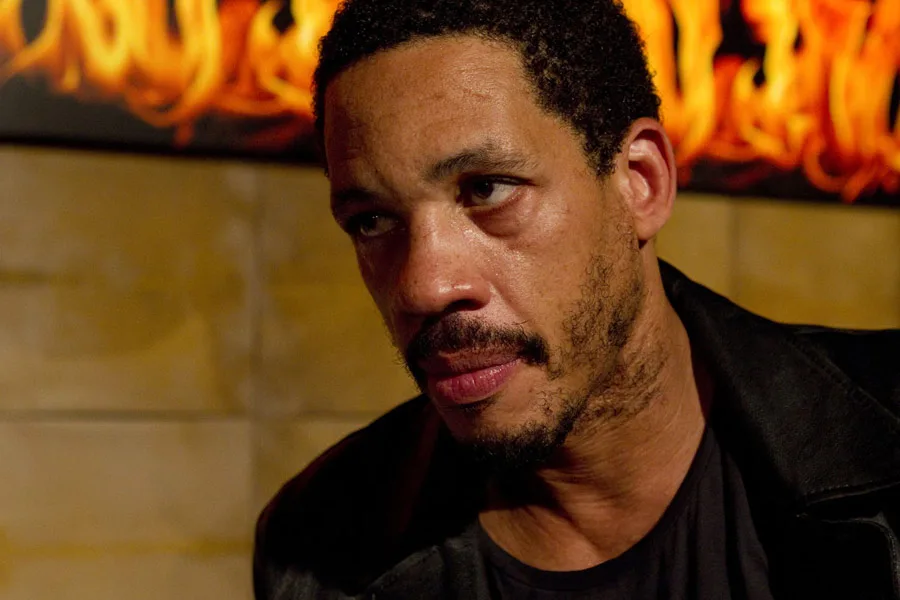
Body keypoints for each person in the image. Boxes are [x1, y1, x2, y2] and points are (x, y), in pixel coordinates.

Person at [253, 0, 900, 598]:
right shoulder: (318, 546)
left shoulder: (882, 432)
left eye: (488, 190)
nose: (424, 287)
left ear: (640, 182)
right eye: (371, 221)